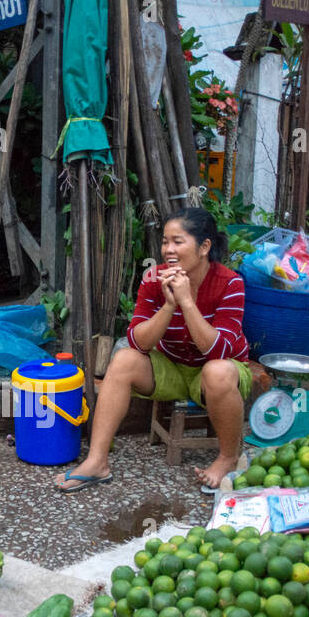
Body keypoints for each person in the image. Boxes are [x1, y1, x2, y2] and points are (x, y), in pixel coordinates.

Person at [56, 208, 252, 493]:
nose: (168, 250)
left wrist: (187, 302)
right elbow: (137, 342)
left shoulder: (229, 283)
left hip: (219, 372)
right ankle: (97, 461)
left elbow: (219, 349)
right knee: (124, 359)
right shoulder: (153, 279)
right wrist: (169, 305)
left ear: (204, 247)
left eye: (178, 241)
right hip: (171, 368)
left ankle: (228, 459)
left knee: (217, 371)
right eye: (164, 242)